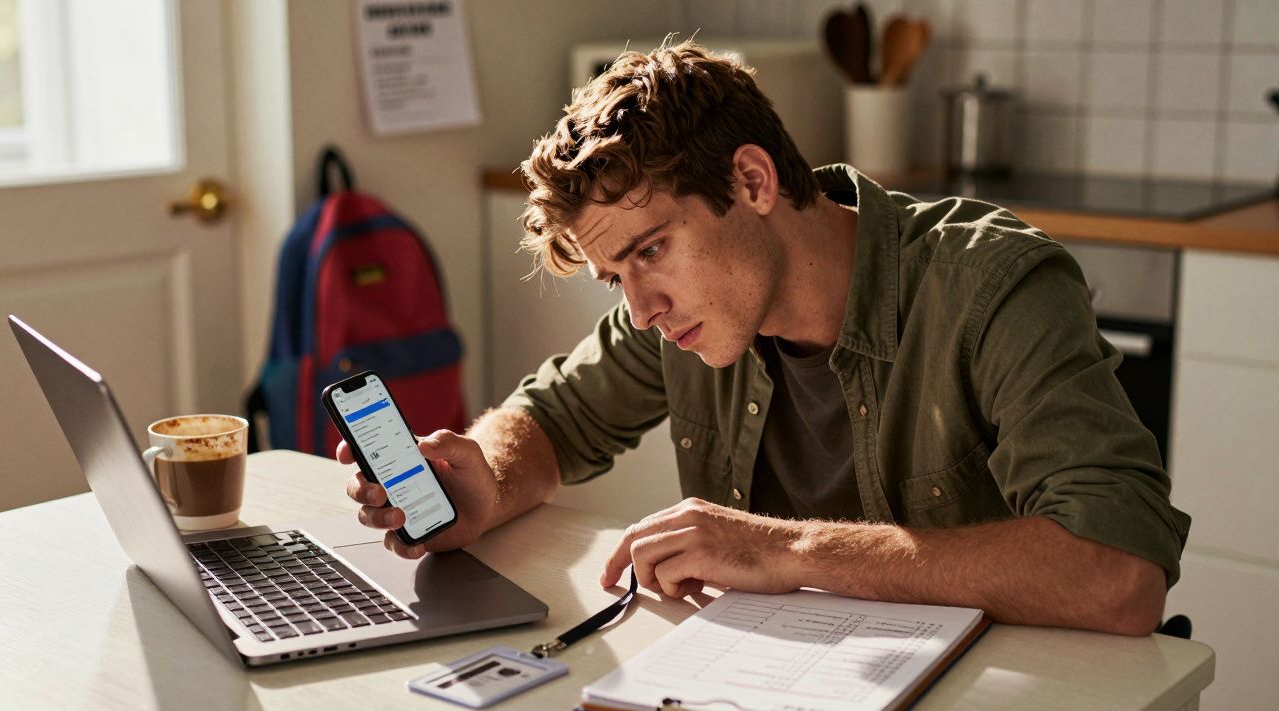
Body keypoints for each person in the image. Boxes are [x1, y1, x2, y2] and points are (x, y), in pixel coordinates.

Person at [340, 41, 1190, 636]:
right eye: (616, 278)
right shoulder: (678, 317)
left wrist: (788, 549)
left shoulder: (989, 285)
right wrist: (484, 478)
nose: (640, 309)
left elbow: (1119, 573)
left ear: (751, 180)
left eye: (651, 251)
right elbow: (553, 417)